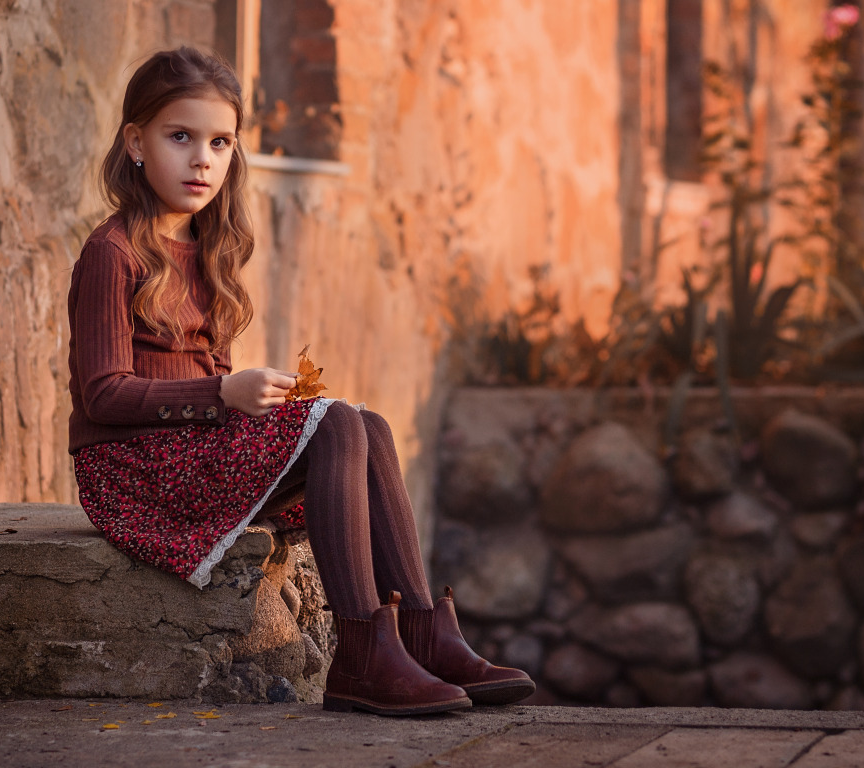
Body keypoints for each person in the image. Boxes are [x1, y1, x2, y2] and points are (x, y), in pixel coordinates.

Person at [66, 47, 533, 716]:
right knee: (339, 422)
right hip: (130, 471)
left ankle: (424, 633)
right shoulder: (112, 253)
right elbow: (103, 394)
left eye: (220, 142)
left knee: (365, 423)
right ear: (136, 143)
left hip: (188, 458)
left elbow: (214, 397)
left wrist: (247, 402)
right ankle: (363, 656)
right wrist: (221, 396)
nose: (202, 158)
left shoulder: (210, 251)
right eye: (180, 137)